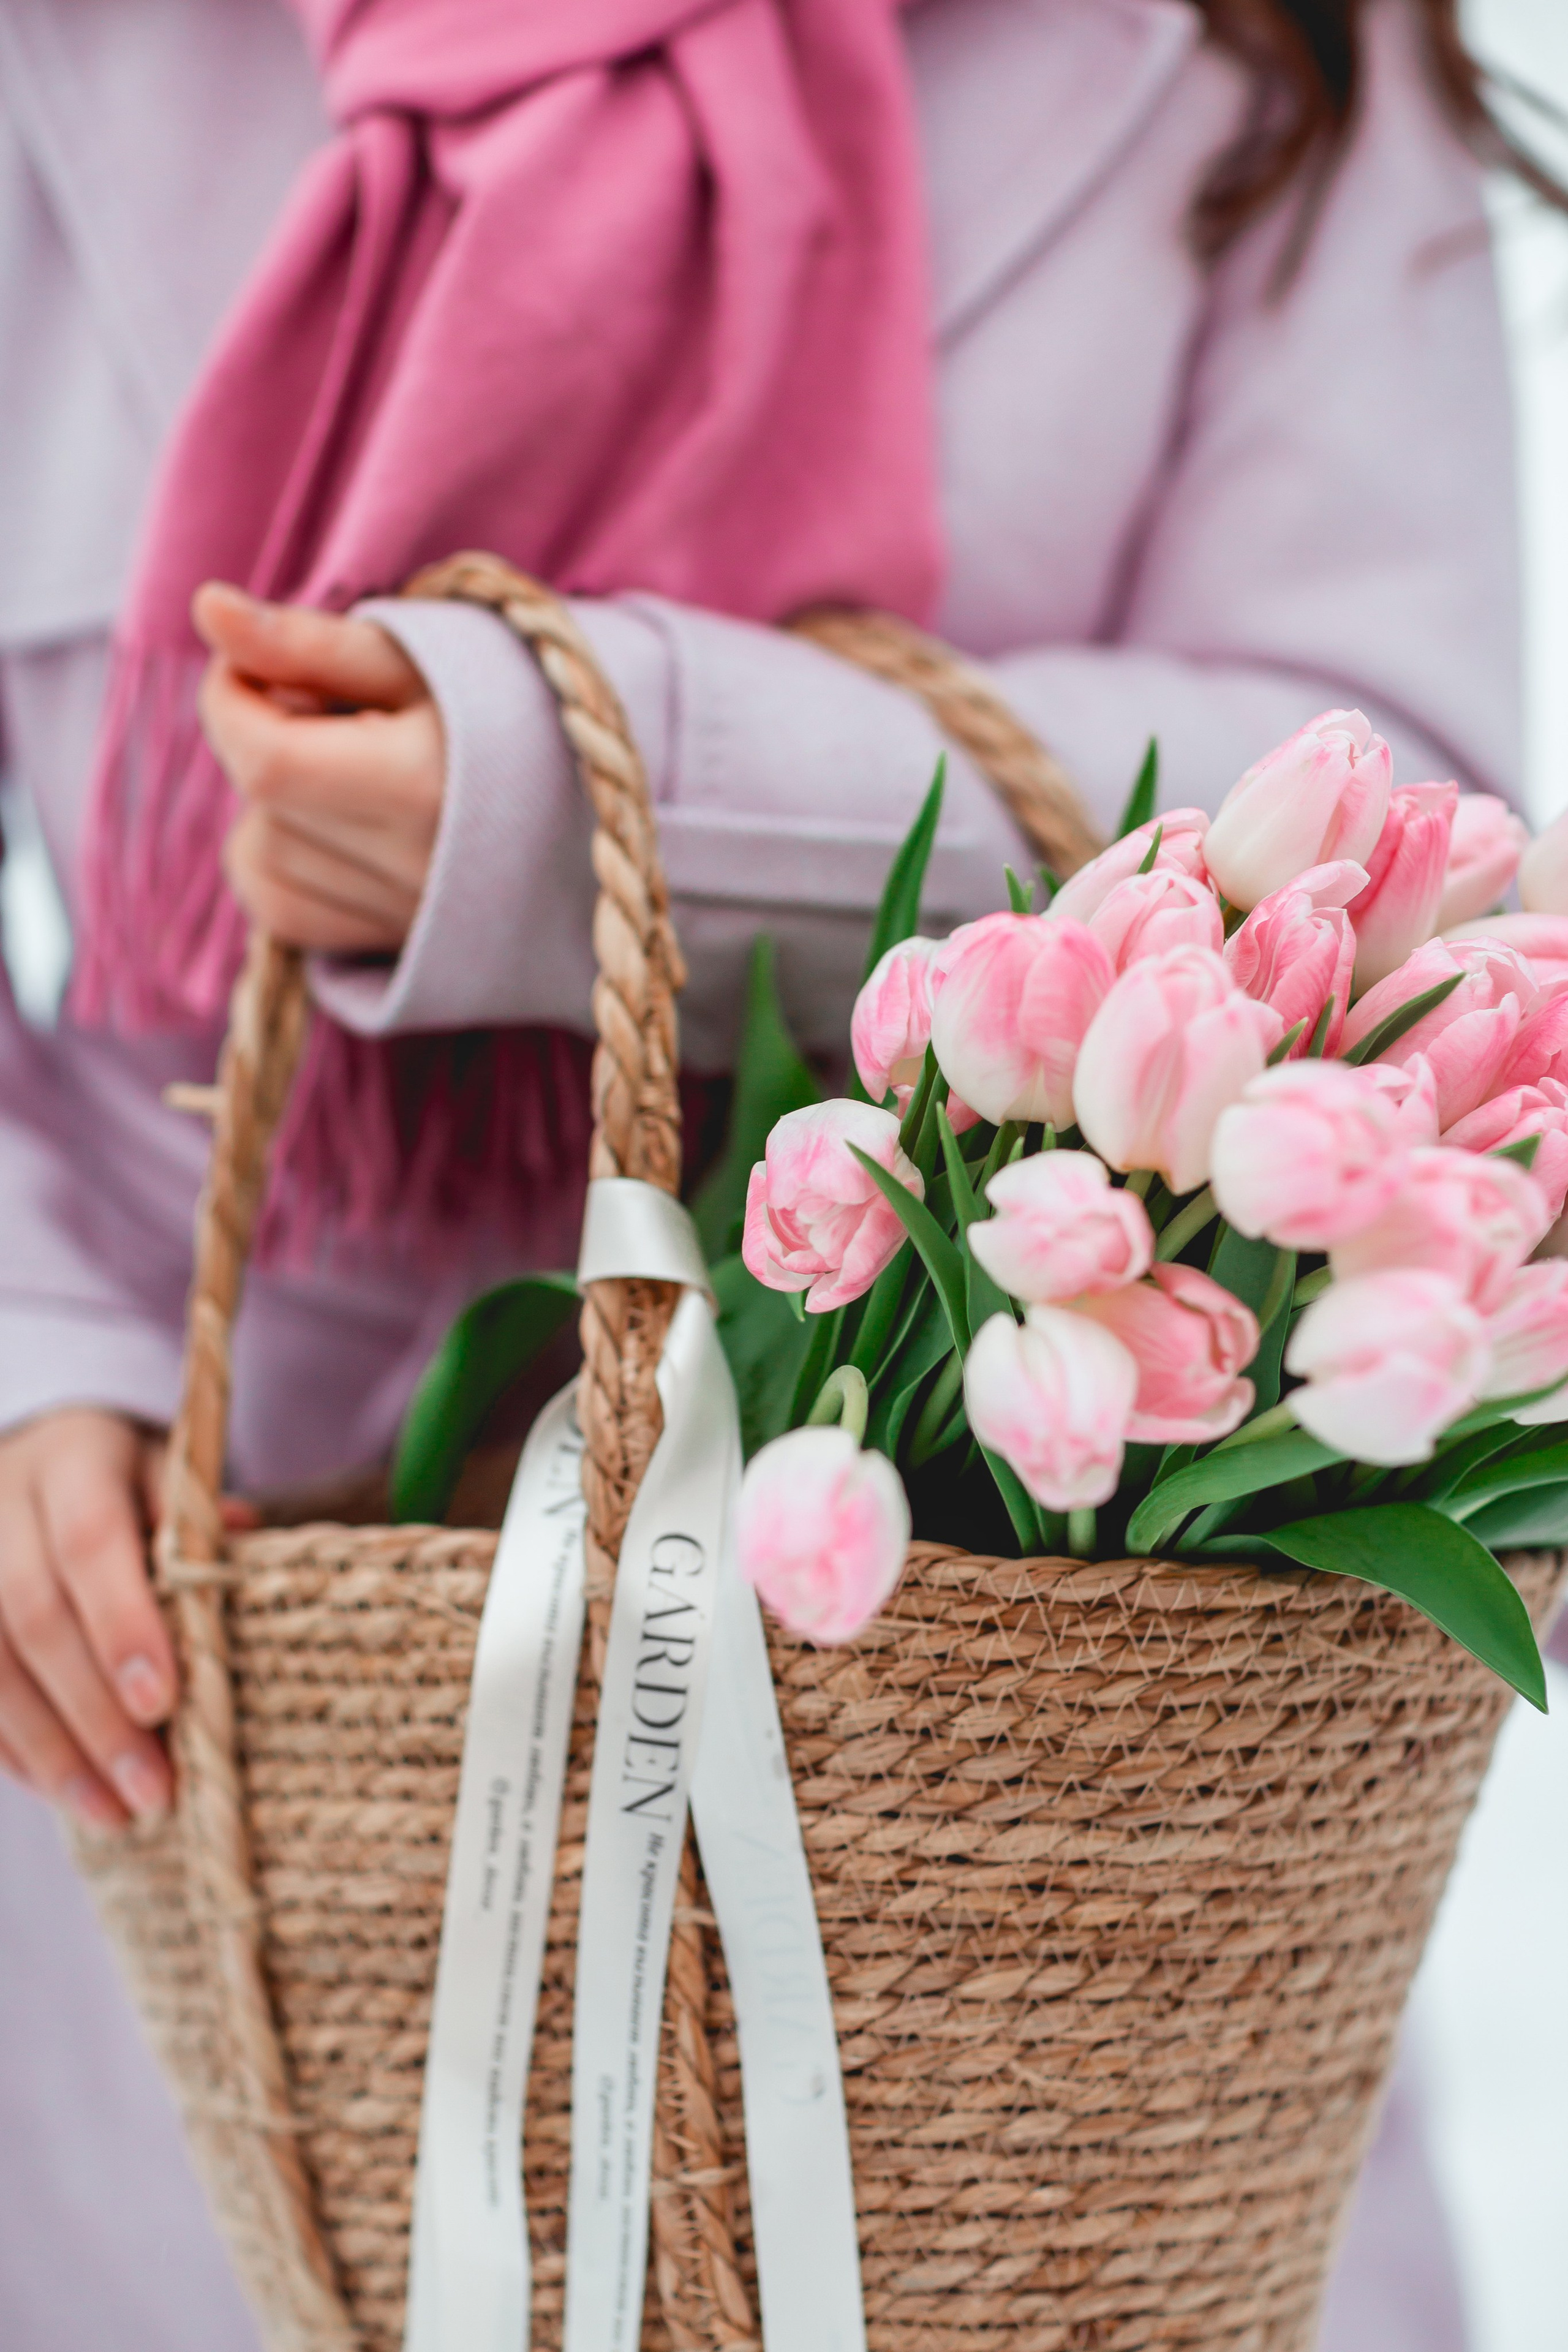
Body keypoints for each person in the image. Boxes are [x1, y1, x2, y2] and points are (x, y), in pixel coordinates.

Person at [0, 1, 1556, 2346]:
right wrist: (23, 1338)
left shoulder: (1268, 50)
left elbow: (1409, 816)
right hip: (187, 1635)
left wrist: (605, 782)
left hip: (1029, 1673)